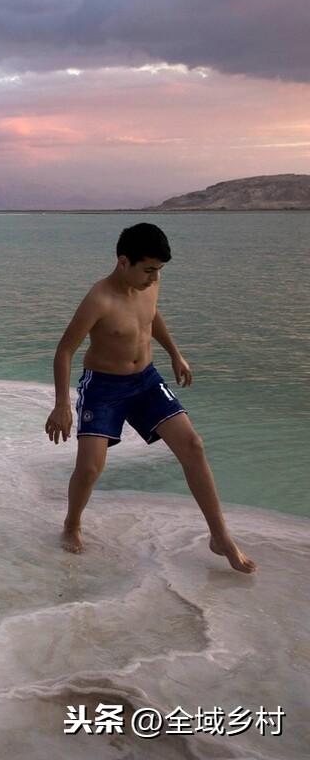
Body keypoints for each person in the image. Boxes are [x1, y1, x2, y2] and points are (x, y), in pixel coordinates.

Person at [44, 222, 256, 573]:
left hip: (145, 380)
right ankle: (72, 524)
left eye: (159, 271)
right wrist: (62, 405)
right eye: (149, 270)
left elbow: (150, 317)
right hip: (104, 388)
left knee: (193, 446)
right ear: (124, 262)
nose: (154, 279)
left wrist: (174, 352)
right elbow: (65, 350)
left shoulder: (149, 285)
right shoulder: (99, 299)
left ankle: (220, 537)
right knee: (90, 467)